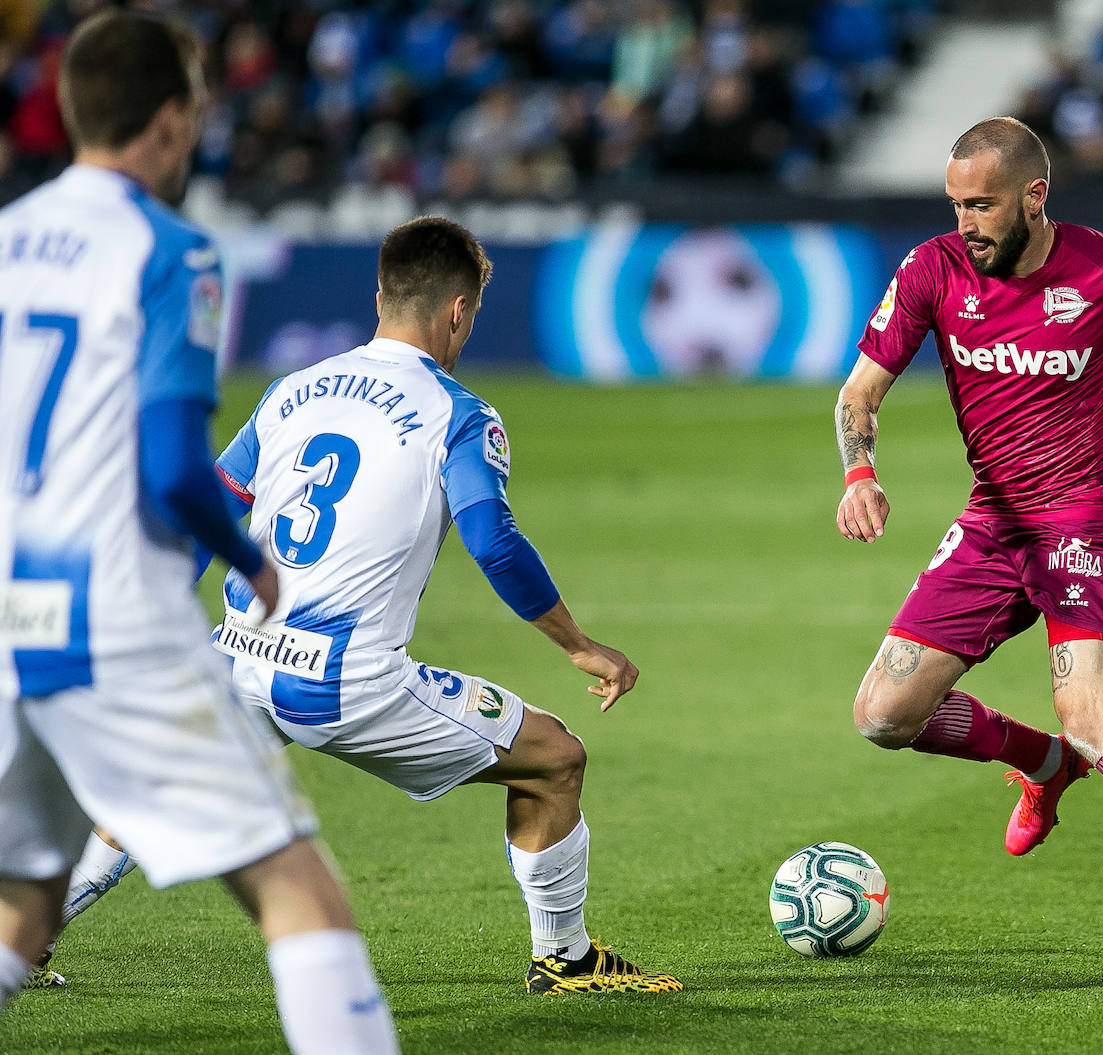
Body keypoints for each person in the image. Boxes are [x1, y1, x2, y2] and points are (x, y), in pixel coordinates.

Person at [48, 216, 682, 996]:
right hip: (343, 680)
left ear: (379, 293)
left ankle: (24, 936)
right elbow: (494, 540)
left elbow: (208, 503)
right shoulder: (460, 413)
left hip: (235, 654)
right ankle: (567, 958)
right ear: (458, 311)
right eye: (472, 315)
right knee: (556, 759)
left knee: (139, 795)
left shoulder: (291, 391)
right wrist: (581, 644)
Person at [0, 11, 400, 1053]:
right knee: (293, 883)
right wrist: (251, 558)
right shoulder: (171, 251)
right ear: (172, 121)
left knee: (24, 902)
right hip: (112, 611)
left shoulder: (6, 238)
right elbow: (174, 465)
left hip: (7, 611)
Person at [834, 116, 1103, 977]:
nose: (967, 221)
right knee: (882, 716)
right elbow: (859, 393)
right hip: (994, 521)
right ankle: (1039, 760)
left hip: (1087, 517)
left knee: (1097, 717)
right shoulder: (933, 269)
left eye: (984, 204)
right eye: (957, 203)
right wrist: (860, 474)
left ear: (1034, 196)